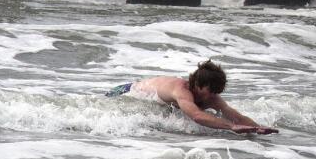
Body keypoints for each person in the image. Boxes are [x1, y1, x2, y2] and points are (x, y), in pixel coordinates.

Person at [106, 59, 278, 135]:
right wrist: (231, 127)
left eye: (216, 91)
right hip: (125, 91)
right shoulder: (181, 90)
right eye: (208, 90)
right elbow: (196, 116)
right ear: (197, 84)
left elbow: (233, 114)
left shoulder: (211, 96)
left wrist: (257, 128)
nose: (211, 96)